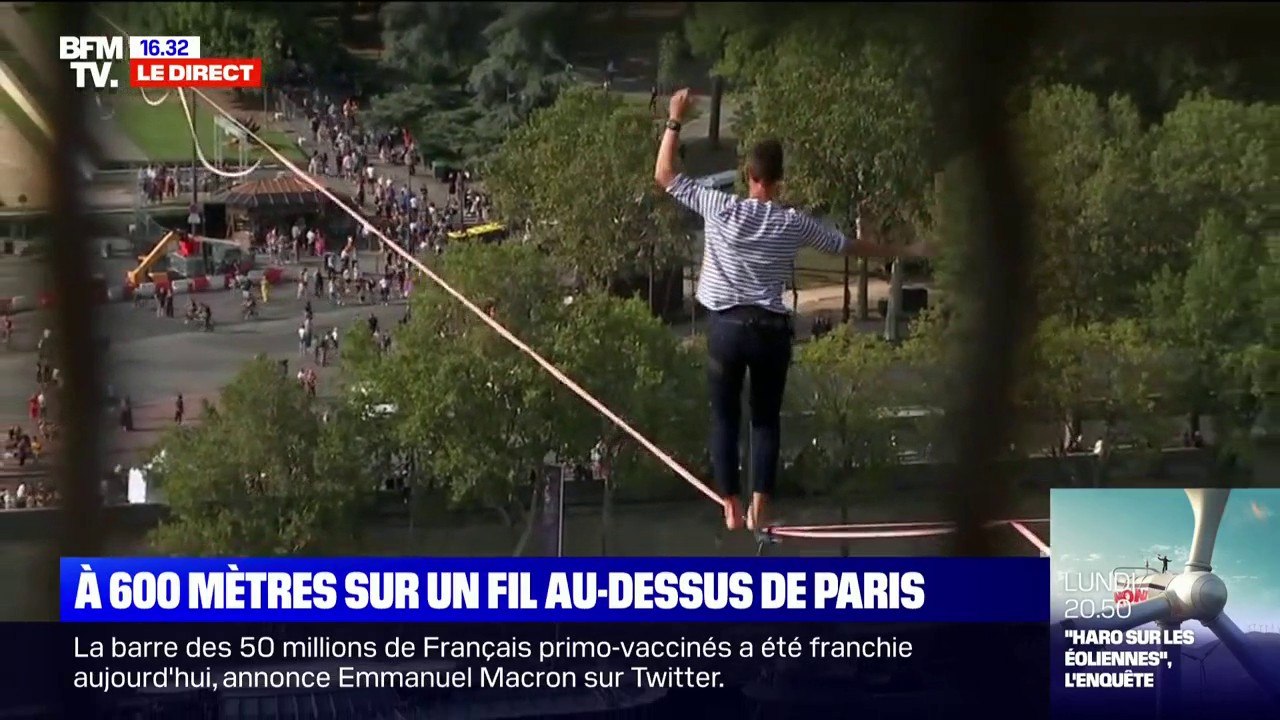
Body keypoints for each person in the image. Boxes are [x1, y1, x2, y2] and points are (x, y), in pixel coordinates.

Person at [654, 88, 931, 532]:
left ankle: (729, 504)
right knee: (765, 420)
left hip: (726, 328)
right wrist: (901, 249)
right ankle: (761, 501)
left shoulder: (719, 206)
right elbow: (847, 246)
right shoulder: (792, 222)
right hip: (769, 331)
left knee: (725, 416)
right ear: (779, 180)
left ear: (748, 175)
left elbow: (665, 174)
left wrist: (674, 119)